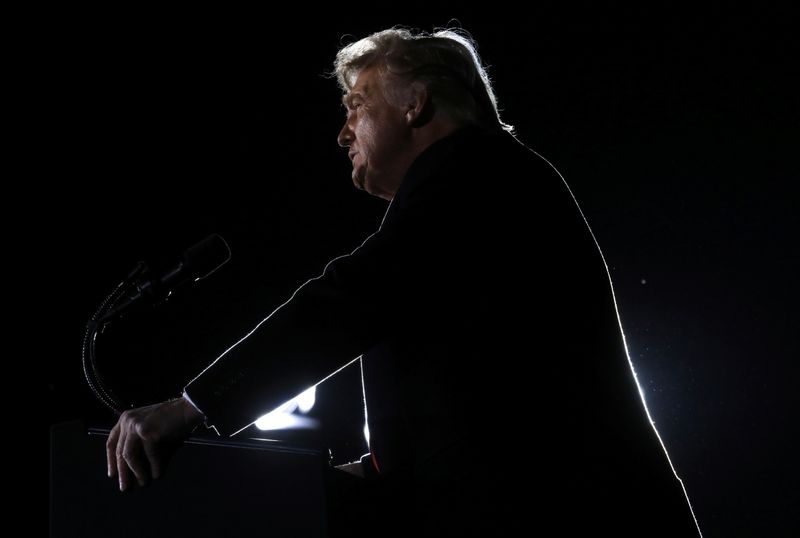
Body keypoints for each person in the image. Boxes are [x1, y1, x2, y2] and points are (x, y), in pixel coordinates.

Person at [106, 27, 701, 536]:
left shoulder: (476, 172)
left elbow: (353, 297)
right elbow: (500, 387)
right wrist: (382, 467)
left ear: (415, 103)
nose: (343, 133)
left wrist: (191, 406)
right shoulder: (480, 186)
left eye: (358, 104)